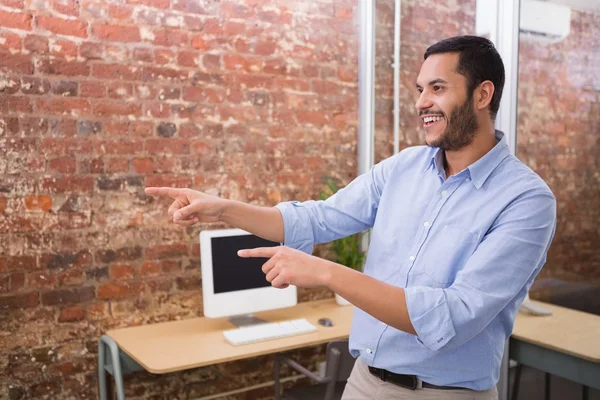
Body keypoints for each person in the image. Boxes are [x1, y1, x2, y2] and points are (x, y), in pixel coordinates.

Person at [145, 36, 556, 400]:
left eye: (437, 88)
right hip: (363, 383)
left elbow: (452, 314)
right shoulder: (404, 167)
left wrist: (326, 273)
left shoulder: (526, 200)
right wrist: (221, 208)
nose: (421, 103)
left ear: (482, 95)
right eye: (419, 89)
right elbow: (319, 219)